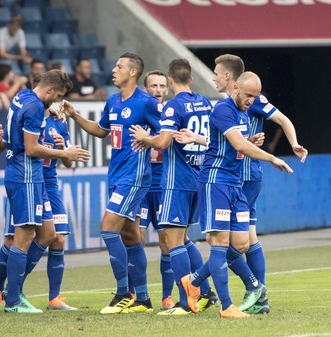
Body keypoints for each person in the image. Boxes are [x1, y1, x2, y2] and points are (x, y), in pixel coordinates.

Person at [180, 72, 293, 319]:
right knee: (219, 243)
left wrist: (250, 140)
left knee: (240, 244)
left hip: (234, 183)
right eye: (249, 95)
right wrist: (272, 157)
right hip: (216, 181)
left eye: (255, 96)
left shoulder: (242, 112)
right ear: (235, 88)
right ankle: (226, 305)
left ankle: (194, 280)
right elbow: (239, 146)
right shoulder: (222, 109)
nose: (252, 100)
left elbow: (236, 143)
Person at [61, 52, 161, 314]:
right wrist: (75, 115)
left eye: (119, 66)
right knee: (129, 235)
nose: (113, 70)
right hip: (116, 175)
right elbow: (101, 130)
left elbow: (167, 133)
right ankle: (143, 298)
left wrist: (149, 140)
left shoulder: (147, 102)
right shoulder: (114, 100)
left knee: (108, 228)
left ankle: (123, 293)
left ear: (132, 73)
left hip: (135, 176)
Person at [217, 54, 308, 314]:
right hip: (241, 176)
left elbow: (282, 119)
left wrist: (293, 143)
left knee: (229, 243)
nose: (212, 76)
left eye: (216, 71)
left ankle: (213, 284)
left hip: (243, 178)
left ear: (227, 77)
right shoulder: (227, 106)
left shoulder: (251, 100)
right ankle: (260, 297)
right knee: (249, 238)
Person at [130, 59, 217, 315]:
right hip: (196, 178)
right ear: (190, 79)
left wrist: (146, 137)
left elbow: (165, 142)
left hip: (175, 182)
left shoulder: (172, 107)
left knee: (172, 240)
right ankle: (205, 292)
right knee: (183, 238)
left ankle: (184, 300)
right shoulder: (204, 102)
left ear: (169, 81)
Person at [2, 69, 90, 313]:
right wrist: (64, 153)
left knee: (48, 233)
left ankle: (14, 290)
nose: (56, 101)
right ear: (49, 89)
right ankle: (12, 299)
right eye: (57, 95)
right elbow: (31, 148)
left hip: (31, 176)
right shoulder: (34, 107)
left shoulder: (22, 96)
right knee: (22, 237)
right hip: (25, 175)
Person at [0, 108, 79, 312]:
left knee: (57, 237)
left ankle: (51, 297)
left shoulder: (59, 123)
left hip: (49, 184)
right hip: (26, 181)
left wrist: (64, 150)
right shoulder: (24, 116)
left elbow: (68, 160)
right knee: (13, 240)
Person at [136, 70, 175, 310]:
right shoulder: (139, 112)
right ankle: (138, 294)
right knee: (136, 239)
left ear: (168, 89)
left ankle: (167, 297)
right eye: (153, 86)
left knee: (167, 242)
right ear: (145, 88)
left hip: (162, 185)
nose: (158, 90)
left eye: (162, 86)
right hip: (140, 184)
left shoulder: (171, 114)